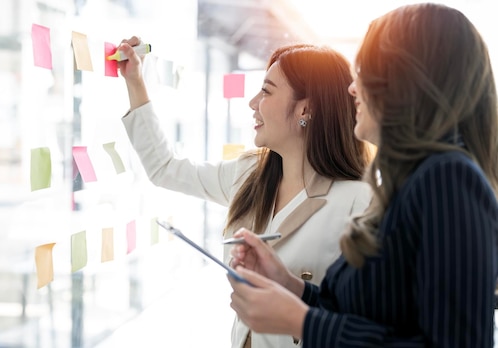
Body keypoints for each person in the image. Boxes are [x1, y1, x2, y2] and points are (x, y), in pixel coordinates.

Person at [227, 3, 498, 347]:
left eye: (365, 72)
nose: (353, 89)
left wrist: (301, 321)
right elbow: (375, 316)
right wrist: (288, 286)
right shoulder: (413, 182)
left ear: (407, 80)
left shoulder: (447, 179)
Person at [116, 37, 373, 347]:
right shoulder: (249, 174)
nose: (253, 103)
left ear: (305, 108)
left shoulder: (358, 202)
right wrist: (135, 81)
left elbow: (361, 322)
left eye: (266, 91)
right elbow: (165, 169)